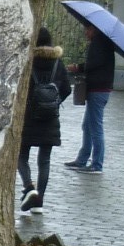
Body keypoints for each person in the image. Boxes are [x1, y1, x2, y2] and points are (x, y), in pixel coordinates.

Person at [18, 25, 68, 213]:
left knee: (21, 155)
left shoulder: (28, 61)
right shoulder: (58, 63)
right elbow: (67, 89)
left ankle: (29, 187)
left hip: (28, 117)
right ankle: (39, 202)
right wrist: (53, 103)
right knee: (44, 160)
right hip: (50, 118)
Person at [66, 21, 116, 172]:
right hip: (100, 89)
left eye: (87, 30)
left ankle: (97, 164)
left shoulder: (99, 44)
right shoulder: (103, 43)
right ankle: (82, 159)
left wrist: (78, 67)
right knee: (87, 126)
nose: (85, 33)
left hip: (98, 89)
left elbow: (92, 64)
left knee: (95, 127)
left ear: (94, 29)